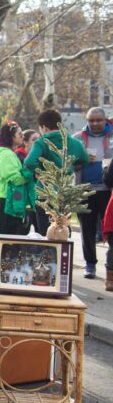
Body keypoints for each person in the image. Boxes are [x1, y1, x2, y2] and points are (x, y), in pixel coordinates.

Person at [24, 109, 90, 240]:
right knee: (64, 229)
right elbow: (85, 160)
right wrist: (70, 168)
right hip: (65, 193)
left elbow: (29, 162)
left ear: (44, 127)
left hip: (45, 192)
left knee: (46, 232)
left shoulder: (41, 142)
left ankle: (49, 259)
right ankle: (64, 258)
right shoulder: (74, 142)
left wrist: (41, 172)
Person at [77, 108, 113, 278]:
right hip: (84, 190)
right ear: (87, 120)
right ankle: (89, 264)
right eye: (91, 120)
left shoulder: (112, 136)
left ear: (105, 120)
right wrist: (82, 159)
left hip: (107, 191)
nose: (95, 124)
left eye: (99, 120)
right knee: (87, 229)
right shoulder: (78, 139)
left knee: (110, 229)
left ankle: (110, 266)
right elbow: (67, 162)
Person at [0, 122, 31, 236]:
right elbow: (15, 179)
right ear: (10, 137)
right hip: (6, 201)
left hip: (7, 199)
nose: (23, 136)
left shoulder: (7, 153)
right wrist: (30, 174)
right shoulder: (6, 154)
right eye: (20, 134)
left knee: (8, 241)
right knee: (7, 240)